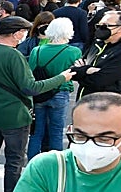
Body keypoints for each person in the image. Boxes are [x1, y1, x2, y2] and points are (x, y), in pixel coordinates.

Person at [0, 16, 74, 192]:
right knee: (14, 159)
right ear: (16, 33)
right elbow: (31, 88)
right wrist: (61, 78)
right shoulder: (14, 55)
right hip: (15, 115)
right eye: (24, 32)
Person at [28, 18, 83, 158]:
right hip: (61, 92)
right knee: (56, 131)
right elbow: (77, 73)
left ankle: (32, 161)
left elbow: (31, 71)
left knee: (36, 131)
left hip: (40, 91)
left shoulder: (37, 50)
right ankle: (56, 162)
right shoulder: (74, 51)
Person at [76, 9, 121, 96]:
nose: (100, 29)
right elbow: (73, 70)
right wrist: (87, 70)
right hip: (85, 97)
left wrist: (82, 71)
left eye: (105, 26)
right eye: (98, 25)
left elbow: (101, 80)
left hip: (108, 101)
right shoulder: (98, 42)